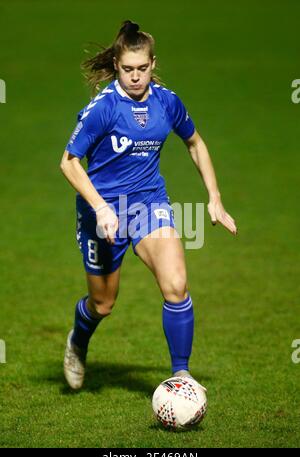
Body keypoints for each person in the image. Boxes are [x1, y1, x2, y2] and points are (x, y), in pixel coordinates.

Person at [60, 20, 237, 390]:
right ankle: (78, 340)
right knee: (104, 304)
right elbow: (69, 162)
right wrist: (102, 208)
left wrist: (215, 197)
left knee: (176, 285)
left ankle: (181, 376)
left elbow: (195, 143)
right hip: (102, 211)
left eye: (142, 69)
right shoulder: (103, 108)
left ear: (153, 64)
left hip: (148, 204)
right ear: (116, 66)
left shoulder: (167, 102)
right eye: (127, 70)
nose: (135, 77)